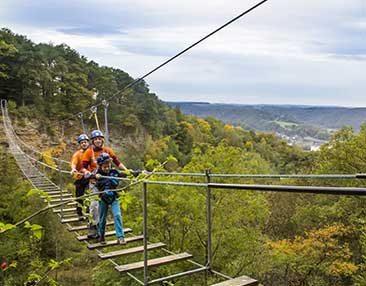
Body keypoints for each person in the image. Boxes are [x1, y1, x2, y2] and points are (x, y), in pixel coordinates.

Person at [81, 130, 128, 239]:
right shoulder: (89, 152)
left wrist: (127, 172)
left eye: (99, 139)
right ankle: (93, 227)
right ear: (92, 141)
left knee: (104, 205)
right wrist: (87, 173)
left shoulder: (108, 150)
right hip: (94, 181)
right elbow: (83, 167)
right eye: (95, 139)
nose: (98, 141)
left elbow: (117, 162)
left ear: (102, 139)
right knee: (94, 204)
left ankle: (102, 231)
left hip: (106, 181)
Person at [95, 153, 126, 244]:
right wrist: (95, 176)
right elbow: (88, 175)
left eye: (108, 166)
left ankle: (120, 237)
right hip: (103, 198)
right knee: (102, 218)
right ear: (100, 166)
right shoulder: (97, 173)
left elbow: (125, 174)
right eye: (104, 167)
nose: (107, 168)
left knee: (117, 215)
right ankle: (101, 236)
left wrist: (139, 173)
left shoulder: (114, 172)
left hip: (114, 197)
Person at [70, 134, 90, 220]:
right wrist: (73, 169)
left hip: (89, 177)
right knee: (79, 196)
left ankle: (89, 212)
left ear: (88, 142)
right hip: (79, 177)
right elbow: (74, 162)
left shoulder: (91, 153)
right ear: (80, 144)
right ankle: (80, 213)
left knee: (91, 194)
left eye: (85, 142)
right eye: (82, 143)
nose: (84, 144)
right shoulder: (77, 154)